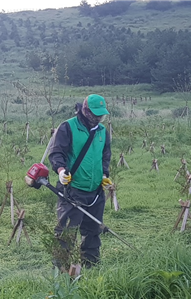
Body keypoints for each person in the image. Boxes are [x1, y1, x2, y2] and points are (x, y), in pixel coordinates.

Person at [48, 94, 112, 270]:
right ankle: (60, 272)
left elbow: (105, 156)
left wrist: (105, 175)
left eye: (101, 115)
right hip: (72, 189)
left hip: (96, 192)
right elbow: (56, 152)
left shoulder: (102, 132)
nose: (98, 118)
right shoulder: (67, 127)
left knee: (93, 233)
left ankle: (91, 268)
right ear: (85, 111)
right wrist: (61, 171)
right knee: (66, 234)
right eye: (95, 114)